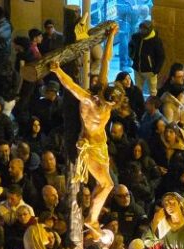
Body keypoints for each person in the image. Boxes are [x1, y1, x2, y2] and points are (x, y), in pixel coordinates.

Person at [49, 23, 119, 231]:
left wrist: (111, 37)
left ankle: (92, 217)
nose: (108, 106)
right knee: (107, 184)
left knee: (104, 184)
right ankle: (92, 218)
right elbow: (71, 85)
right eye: (107, 103)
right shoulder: (89, 101)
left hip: (101, 146)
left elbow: (106, 61)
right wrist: (58, 71)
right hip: (88, 147)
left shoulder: (103, 94)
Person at [128, 20, 165, 96]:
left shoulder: (156, 41)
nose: (142, 31)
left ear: (150, 29)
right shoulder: (136, 37)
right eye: (141, 28)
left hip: (150, 70)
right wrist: (132, 56)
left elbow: (161, 56)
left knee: (153, 91)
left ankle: (153, 103)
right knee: (138, 90)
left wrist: (156, 70)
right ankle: (139, 102)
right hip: (137, 68)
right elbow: (131, 46)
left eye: (145, 29)